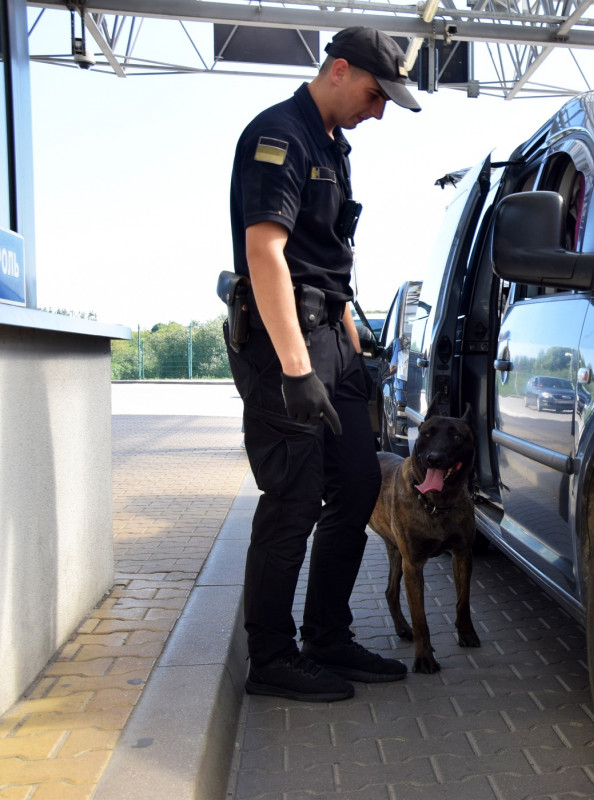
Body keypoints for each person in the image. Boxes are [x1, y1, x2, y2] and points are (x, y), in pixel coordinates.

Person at [224, 26, 421, 702]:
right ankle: (272, 657)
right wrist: (296, 366)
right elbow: (266, 255)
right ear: (339, 70)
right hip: (285, 347)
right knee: (293, 499)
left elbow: (327, 258)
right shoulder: (277, 135)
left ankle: (327, 635)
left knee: (360, 484)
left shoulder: (333, 148)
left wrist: (350, 344)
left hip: (331, 341)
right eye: (374, 94)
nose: (379, 110)